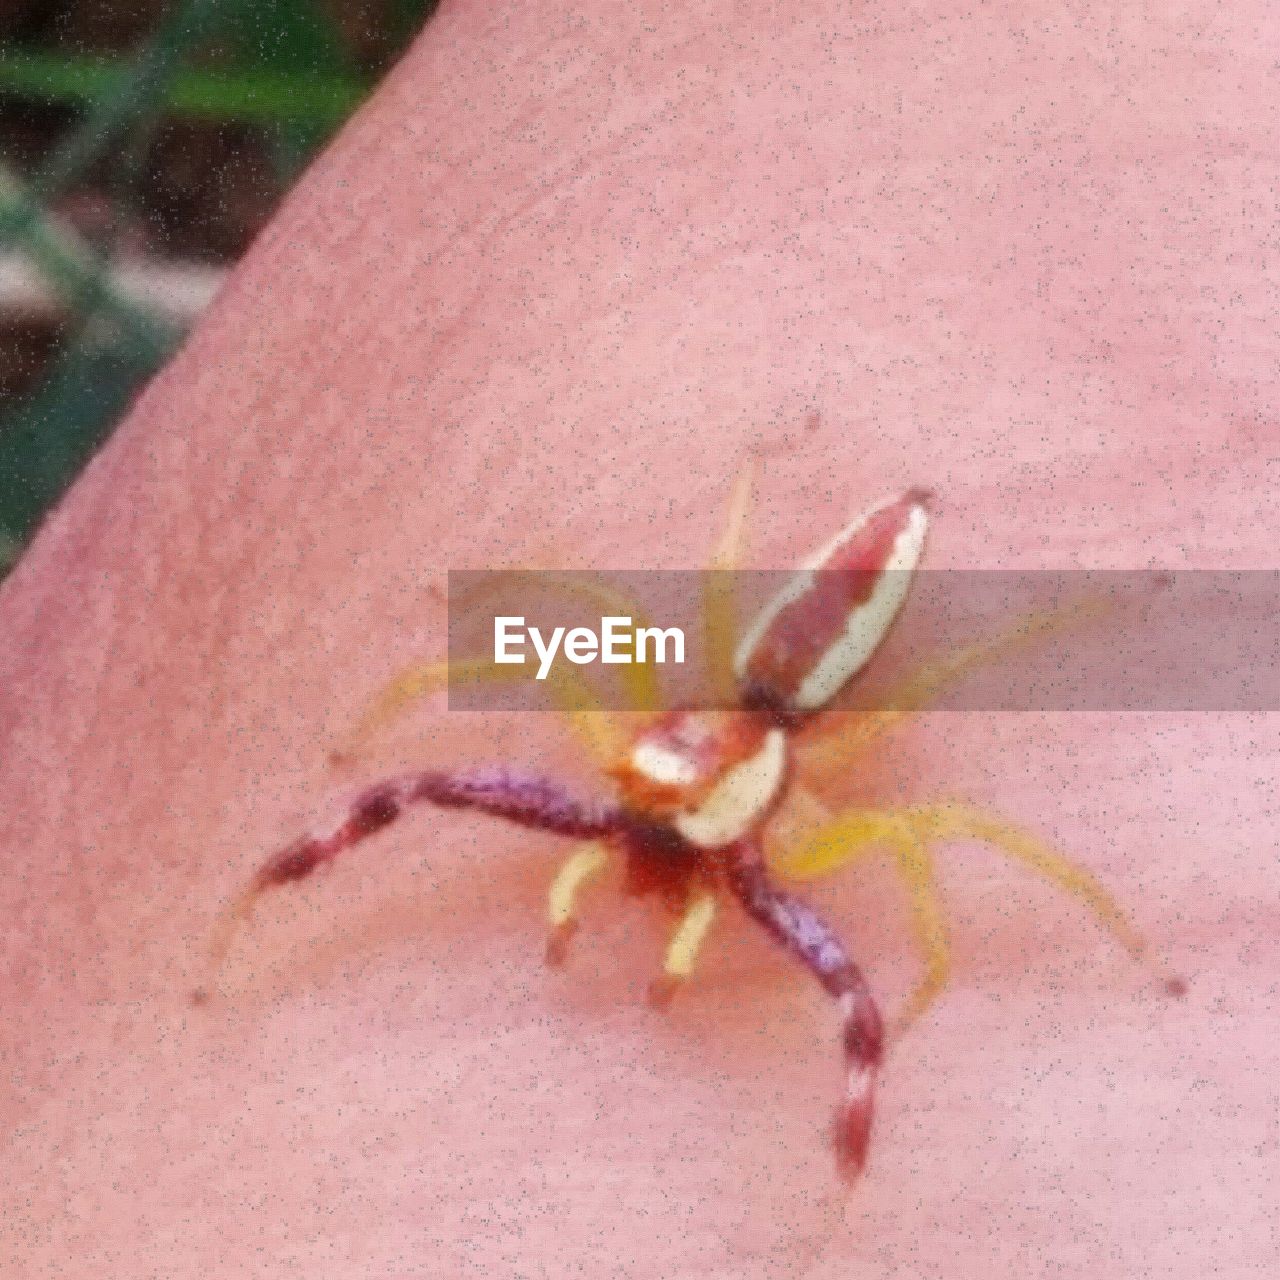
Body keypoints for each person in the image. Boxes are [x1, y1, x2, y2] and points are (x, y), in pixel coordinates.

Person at [1, 2, 1274, 1274]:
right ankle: (237, 923)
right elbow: (448, 742)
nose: (643, 859)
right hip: (767, 689)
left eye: (666, 830)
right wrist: (393, 717)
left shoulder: (810, 809)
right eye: (649, 816)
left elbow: (880, 963)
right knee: (475, 742)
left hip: (835, 649)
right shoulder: (645, 763)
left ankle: (837, 1217)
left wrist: (963, 967)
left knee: (932, 815)